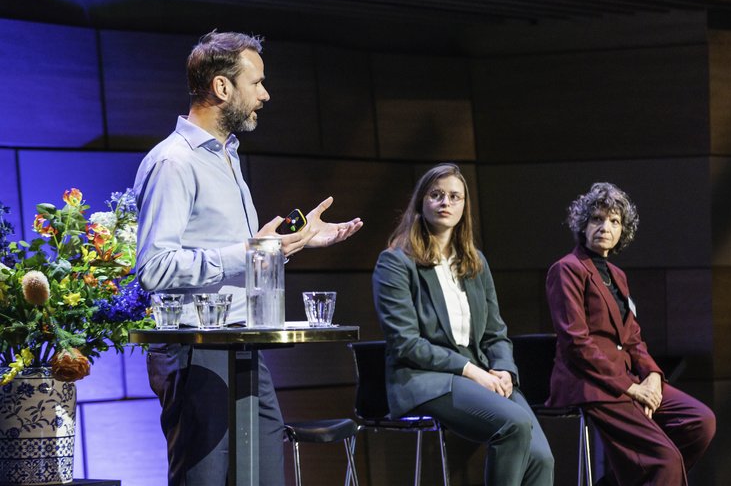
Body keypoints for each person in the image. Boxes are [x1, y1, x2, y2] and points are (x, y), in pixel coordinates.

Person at [133, 31, 363, 486]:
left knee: (263, 473)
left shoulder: (227, 159)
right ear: (222, 88)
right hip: (195, 349)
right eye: (256, 82)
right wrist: (248, 254)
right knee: (206, 476)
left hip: (240, 342)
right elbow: (154, 268)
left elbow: (241, 256)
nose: (265, 94)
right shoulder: (175, 163)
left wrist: (289, 245)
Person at [372, 163, 554, 486]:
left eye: (455, 197)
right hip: (426, 378)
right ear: (421, 202)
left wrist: (504, 371)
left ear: (464, 207)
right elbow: (406, 343)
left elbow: (496, 332)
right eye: (436, 195)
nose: (446, 203)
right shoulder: (396, 262)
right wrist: (472, 372)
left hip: (481, 373)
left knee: (541, 457)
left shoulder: (475, 261)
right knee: (512, 426)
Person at [545, 182, 715, 486]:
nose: (605, 227)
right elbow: (576, 343)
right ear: (583, 225)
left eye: (614, 221)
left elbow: (633, 338)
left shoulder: (616, 276)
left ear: (623, 230)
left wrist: (651, 375)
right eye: (597, 219)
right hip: (592, 383)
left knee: (699, 422)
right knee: (665, 460)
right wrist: (630, 388)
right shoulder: (567, 269)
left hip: (628, 380)